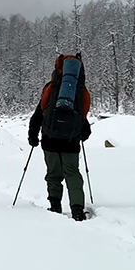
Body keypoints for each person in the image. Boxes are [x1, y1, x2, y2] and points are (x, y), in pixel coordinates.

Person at [27, 55, 91, 221]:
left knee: (53, 174)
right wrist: (82, 134)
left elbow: (39, 113)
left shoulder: (51, 89)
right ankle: (77, 209)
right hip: (71, 142)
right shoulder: (80, 91)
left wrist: (33, 136)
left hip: (50, 140)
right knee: (72, 173)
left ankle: (55, 206)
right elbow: (83, 117)